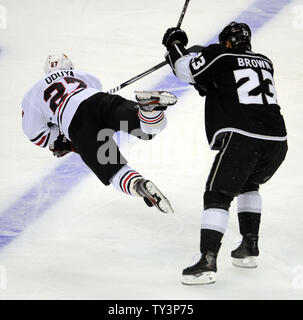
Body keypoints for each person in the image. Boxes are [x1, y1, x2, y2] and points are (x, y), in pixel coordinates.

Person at [162, 22, 288, 284]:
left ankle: (206, 262)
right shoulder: (265, 61)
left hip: (243, 138)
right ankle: (248, 248)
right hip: (277, 140)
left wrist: (174, 44)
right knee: (248, 184)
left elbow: (186, 71)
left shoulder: (221, 54)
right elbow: (224, 86)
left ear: (226, 42)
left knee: (217, 194)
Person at [22, 53, 177, 214]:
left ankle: (140, 185)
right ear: (69, 66)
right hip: (99, 102)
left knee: (114, 171)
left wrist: (63, 138)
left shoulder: (33, 93)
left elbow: (38, 136)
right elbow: (93, 91)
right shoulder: (82, 75)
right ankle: (149, 110)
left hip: (79, 126)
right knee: (147, 129)